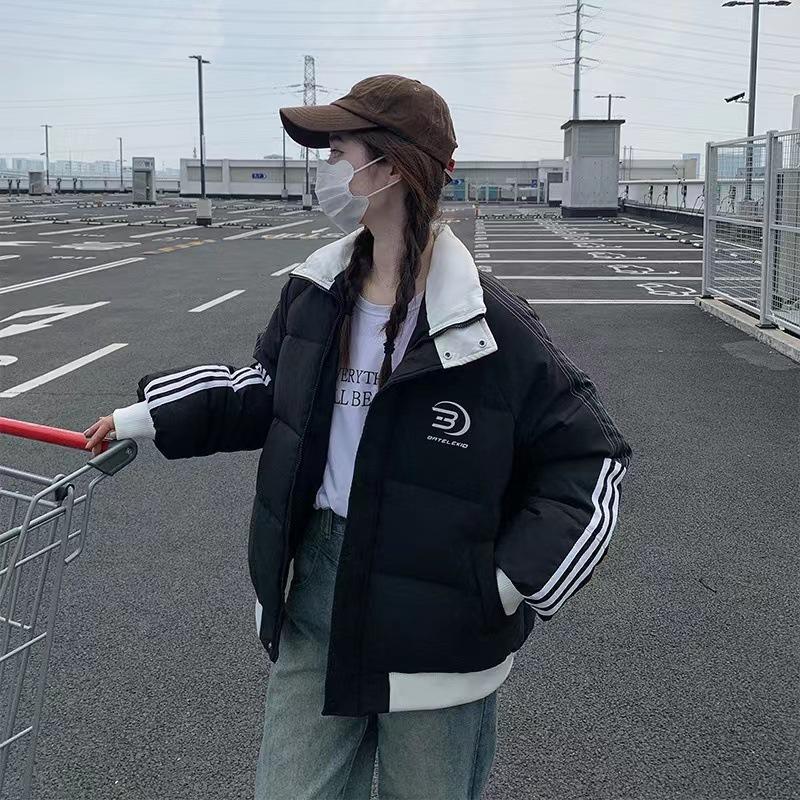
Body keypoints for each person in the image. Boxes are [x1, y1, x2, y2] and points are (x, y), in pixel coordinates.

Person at [84, 74, 633, 800]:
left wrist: (505, 585)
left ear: (391, 167)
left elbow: (590, 460)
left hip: (440, 622)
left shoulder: (488, 325)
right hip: (315, 589)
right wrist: (144, 417)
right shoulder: (316, 293)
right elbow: (267, 390)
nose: (326, 170)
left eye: (338, 151)